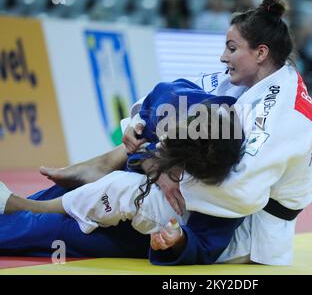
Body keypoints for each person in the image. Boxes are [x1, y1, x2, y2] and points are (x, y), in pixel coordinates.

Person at [5, 0, 312, 265]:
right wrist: (139, 125)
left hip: (235, 230)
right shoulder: (246, 79)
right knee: (79, 191)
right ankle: (27, 201)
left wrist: (159, 168)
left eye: (232, 48)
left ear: (261, 53)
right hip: (198, 195)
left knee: (76, 226)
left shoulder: (282, 113)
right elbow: (173, 93)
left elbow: (241, 193)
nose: (223, 57)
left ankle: (31, 211)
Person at [0, 79, 246, 265]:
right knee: (72, 188)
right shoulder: (179, 105)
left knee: (58, 230)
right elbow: (141, 149)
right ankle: (23, 205)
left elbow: (205, 245)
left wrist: (178, 239)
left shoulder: (226, 190)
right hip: (140, 175)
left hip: (148, 227)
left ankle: (24, 212)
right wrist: (151, 161)